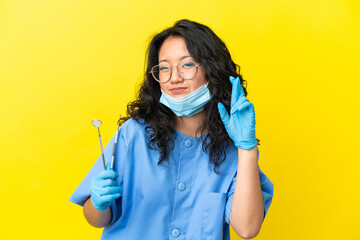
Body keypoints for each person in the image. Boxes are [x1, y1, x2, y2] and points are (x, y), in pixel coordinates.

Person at [70, 19, 274, 240]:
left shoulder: (235, 149)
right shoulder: (134, 135)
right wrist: (99, 203)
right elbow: (96, 218)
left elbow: (247, 229)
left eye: (187, 65)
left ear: (212, 69)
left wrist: (247, 149)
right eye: (164, 68)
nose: (174, 78)